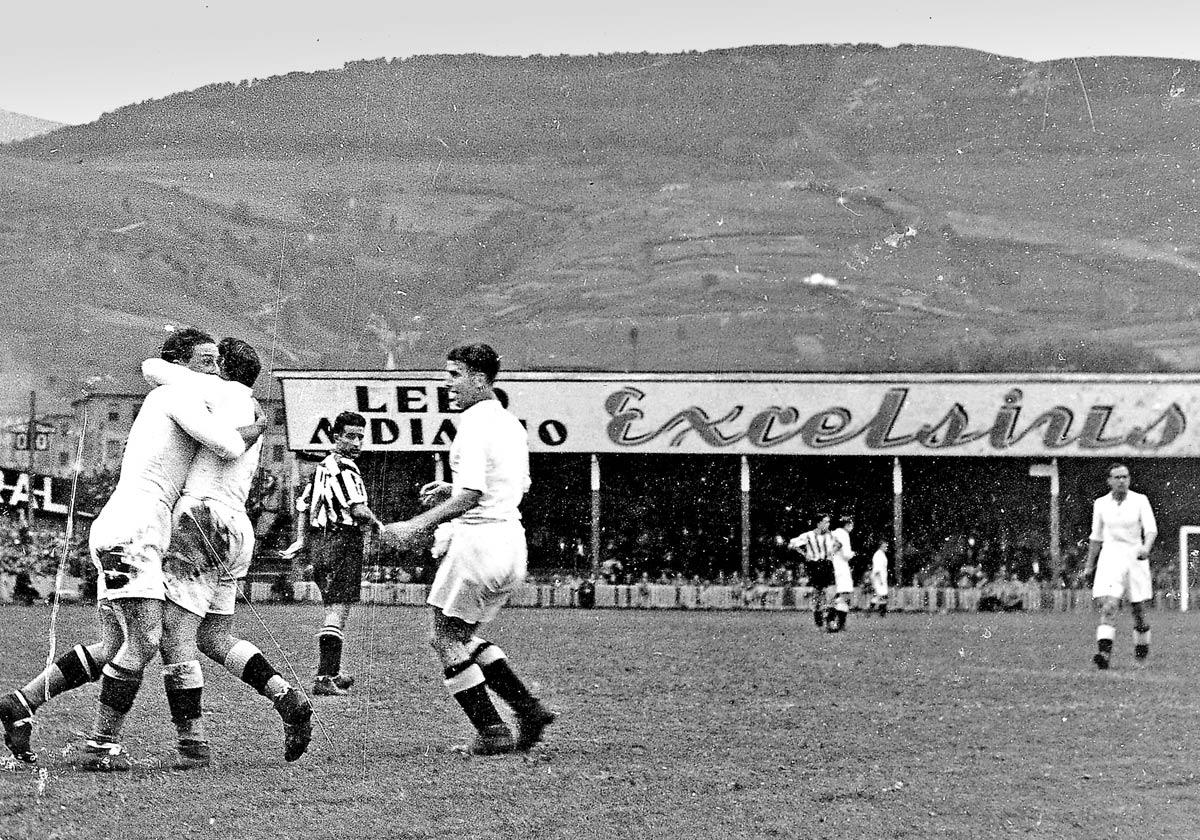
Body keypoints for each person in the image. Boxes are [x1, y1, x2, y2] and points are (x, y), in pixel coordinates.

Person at [0, 328, 263, 769]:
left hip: (130, 526)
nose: (216, 371)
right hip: (135, 530)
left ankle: (20, 703)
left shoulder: (175, 390)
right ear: (181, 364)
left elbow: (156, 371)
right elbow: (230, 443)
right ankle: (100, 747)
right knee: (145, 641)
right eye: (206, 360)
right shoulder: (174, 396)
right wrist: (261, 422)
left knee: (114, 644)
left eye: (220, 361)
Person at [144, 338, 313, 768]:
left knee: (174, 636)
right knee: (214, 637)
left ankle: (193, 744)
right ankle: (285, 695)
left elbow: (154, 369)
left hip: (201, 518)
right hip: (237, 525)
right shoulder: (248, 402)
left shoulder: (212, 392)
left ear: (221, 368)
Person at [381, 343, 555, 755]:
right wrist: (451, 490)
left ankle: (492, 731)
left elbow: (473, 495)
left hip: (479, 543)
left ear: (479, 379)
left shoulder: (474, 424)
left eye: (455, 374)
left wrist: (416, 524)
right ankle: (527, 709)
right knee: (461, 634)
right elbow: (512, 486)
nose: (448, 384)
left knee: (443, 636)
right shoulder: (510, 423)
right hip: (512, 542)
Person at [281, 411, 383, 696]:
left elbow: (302, 506)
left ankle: (333, 672)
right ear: (336, 437)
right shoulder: (347, 467)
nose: (357, 442)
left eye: (361, 436)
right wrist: (380, 527)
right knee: (337, 610)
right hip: (343, 540)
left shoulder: (322, 466)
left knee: (335, 607)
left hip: (320, 543)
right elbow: (358, 509)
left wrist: (302, 540)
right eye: (351, 436)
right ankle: (325, 676)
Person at [1082, 462, 1157, 670]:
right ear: (1109, 481)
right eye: (1117, 477)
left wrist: (1146, 548)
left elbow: (1151, 529)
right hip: (1111, 557)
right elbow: (1096, 538)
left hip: (1135, 557)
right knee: (1110, 605)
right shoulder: (1101, 504)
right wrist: (1089, 565)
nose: (1122, 481)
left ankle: (1141, 653)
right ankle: (1104, 654)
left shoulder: (1140, 500)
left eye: (1125, 477)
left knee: (1139, 611)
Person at [788, 513, 837, 629]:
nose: (828, 524)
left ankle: (829, 621)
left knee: (830, 592)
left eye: (829, 522)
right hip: (815, 566)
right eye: (825, 521)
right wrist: (804, 554)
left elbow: (838, 545)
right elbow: (791, 544)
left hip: (827, 565)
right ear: (819, 523)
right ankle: (820, 618)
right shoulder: (809, 535)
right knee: (819, 593)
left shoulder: (831, 535)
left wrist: (832, 554)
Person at [827, 515, 856, 632]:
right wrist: (852, 553)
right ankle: (833, 621)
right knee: (844, 595)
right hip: (842, 566)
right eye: (851, 525)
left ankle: (838, 623)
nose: (852, 527)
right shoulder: (844, 534)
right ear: (847, 525)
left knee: (841, 595)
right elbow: (846, 554)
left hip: (835, 566)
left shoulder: (834, 533)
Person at [868, 537, 890, 617]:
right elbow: (877, 569)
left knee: (878, 596)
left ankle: (870, 612)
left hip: (882, 577)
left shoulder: (882, 554)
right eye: (885, 546)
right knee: (882, 594)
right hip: (879, 578)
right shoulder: (878, 555)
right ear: (880, 546)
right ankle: (882, 614)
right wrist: (880, 580)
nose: (886, 548)